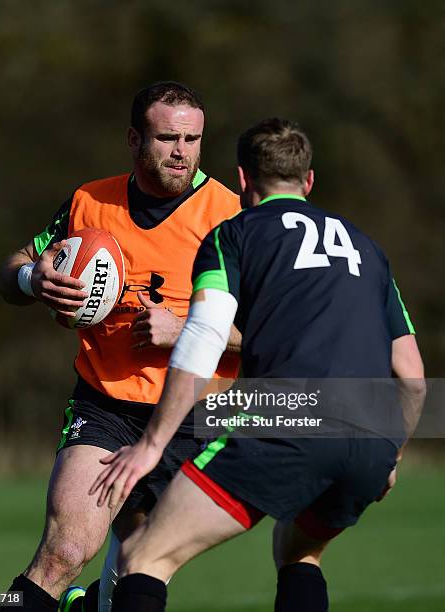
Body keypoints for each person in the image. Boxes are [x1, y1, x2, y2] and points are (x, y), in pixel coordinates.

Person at [89, 118, 425, 612]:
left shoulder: (234, 235)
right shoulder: (367, 248)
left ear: (243, 179)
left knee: (143, 559)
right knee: (299, 552)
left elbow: (202, 339)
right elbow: (413, 377)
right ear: (308, 181)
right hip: (369, 434)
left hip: (288, 419)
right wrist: (390, 454)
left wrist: (150, 444)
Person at [0, 81, 241, 612]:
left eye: (193, 139)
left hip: (191, 418)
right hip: (105, 406)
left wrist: (188, 330)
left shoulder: (233, 216)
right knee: (65, 551)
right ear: (134, 139)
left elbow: (273, 332)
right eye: (167, 138)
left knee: (138, 571)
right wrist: (31, 281)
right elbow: (15, 264)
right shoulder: (90, 201)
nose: (182, 151)